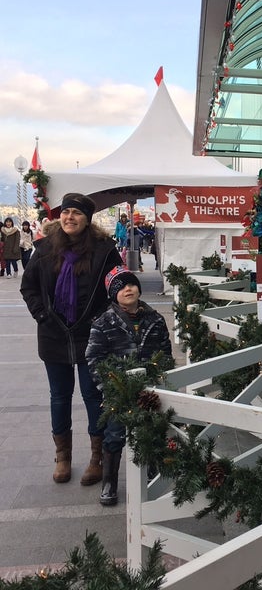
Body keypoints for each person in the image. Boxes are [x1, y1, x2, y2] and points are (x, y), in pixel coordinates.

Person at [20, 193, 122, 485]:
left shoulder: (104, 251)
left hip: (92, 336)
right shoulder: (44, 250)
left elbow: (118, 285)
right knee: (59, 397)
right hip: (53, 334)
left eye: (76, 213)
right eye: (66, 213)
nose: (69, 218)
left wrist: (102, 318)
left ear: (87, 219)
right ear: (59, 217)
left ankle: (96, 458)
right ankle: (63, 456)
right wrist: (41, 314)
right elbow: (29, 288)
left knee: (93, 396)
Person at [86, 266, 173, 505]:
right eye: (121, 287)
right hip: (119, 392)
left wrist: (163, 379)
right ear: (113, 294)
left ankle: (153, 477)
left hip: (150, 390)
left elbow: (165, 352)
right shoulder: (103, 323)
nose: (128, 289)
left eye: (131, 284)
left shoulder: (155, 319)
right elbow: (94, 358)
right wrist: (108, 387)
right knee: (114, 435)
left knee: (152, 430)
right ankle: (109, 481)